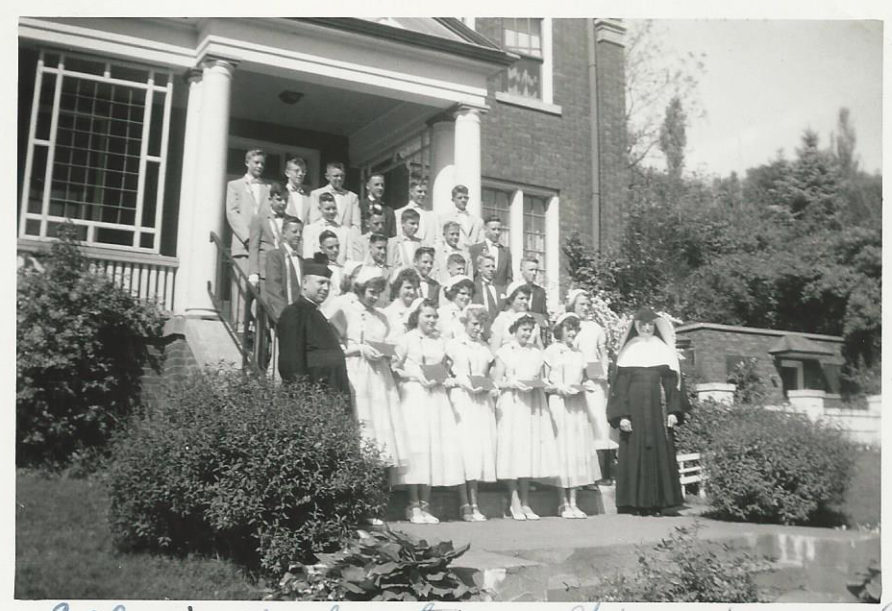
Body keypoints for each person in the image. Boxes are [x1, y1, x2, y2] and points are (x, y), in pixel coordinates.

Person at [607, 307, 690, 516]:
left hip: (657, 410)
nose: (646, 328)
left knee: (659, 452)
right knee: (634, 450)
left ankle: (659, 503)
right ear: (636, 326)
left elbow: (673, 384)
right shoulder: (628, 351)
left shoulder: (663, 350)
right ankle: (634, 503)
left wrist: (673, 411)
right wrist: (622, 415)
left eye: (650, 324)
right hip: (633, 411)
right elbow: (620, 388)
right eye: (642, 325)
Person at [392, 299, 465, 524]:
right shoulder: (406, 339)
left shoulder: (440, 341)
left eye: (434, 316)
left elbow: (444, 368)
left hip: (436, 397)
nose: (432, 320)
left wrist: (442, 378)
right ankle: (413, 504)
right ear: (417, 316)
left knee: (433, 448)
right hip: (414, 396)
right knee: (418, 447)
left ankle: (425, 504)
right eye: (427, 316)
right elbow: (394, 368)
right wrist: (415, 375)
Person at [340, 267, 408, 470]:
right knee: (363, 416)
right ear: (360, 289)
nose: (375, 297)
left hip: (379, 374)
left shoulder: (382, 317)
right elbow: (335, 345)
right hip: (357, 370)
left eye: (378, 293)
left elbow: (392, 343)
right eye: (371, 292)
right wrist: (359, 349)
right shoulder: (346, 309)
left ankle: (378, 469)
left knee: (381, 420)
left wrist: (387, 352)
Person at [493, 311, 558, 520]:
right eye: (524, 330)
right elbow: (497, 381)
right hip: (512, 404)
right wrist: (512, 383)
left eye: (530, 330)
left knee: (528, 450)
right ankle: (514, 500)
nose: (527, 334)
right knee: (513, 450)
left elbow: (543, 378)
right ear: (515, 330)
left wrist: (541, 384)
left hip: (531, 405)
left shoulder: (537, 353)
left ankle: (526, 501)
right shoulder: (504, 352)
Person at [544, 313, 600, 518]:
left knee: (576, 451)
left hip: (577, 405)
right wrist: (559, 388)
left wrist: (587, 385)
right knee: (562, 450)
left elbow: (587, 377)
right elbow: (544, 382)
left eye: (575, 329)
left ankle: (574, 502)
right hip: (559, 403)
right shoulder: (550, 351)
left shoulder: (580, 354)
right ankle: (562, 503)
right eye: (569, 329)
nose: (572, 333)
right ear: (560, 330)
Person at [446, 304, 497, 521]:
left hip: (480, 402)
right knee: (463, 449)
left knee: (476, 451)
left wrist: (490, 386)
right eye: (475, 323)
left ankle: (475, 503)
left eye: (482, 324)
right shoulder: (453, 345)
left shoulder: (485, 348)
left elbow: (489, 375)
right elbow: (447, 372)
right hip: (462, 399)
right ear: (465, 323)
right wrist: (462, 382)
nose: (478, 328)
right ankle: (464, 503)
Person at [277, 253, 350, 397]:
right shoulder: (295, 313)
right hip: (313, 398)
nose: (326, 288)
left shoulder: (317, 313)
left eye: (328, 284)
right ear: (304, 283)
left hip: (330, 395)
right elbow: (291, 362)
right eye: (321, 282)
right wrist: (301, 397)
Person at [566, 288, 616, 483]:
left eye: (588, 305)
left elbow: (602, 353)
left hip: (595, 381)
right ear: (573, 305)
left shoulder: (595, 328)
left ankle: (602, 473)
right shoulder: (567, 325)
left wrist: (602, 371)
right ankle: (580, 475)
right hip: (575, 379)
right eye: (582, 304)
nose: (586, 308)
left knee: (599, 422)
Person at [226, 148, 268, 329]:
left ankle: (258, 328)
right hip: (244, 245)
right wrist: (247, 237)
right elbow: (232, 213)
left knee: (261, 287)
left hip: (262, 246)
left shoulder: (267, 188)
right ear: (247, 163)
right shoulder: (235, 185)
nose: (259, 166)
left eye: (262, 163)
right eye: (256, 162)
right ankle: (240, 326)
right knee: (242, 286)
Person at [247, 181, 288, 296]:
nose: (283, 203)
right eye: (279, 199)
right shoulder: (259, 218)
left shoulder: (290, 220)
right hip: (265, 270)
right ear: (270, 200)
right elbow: (253, 246)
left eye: (286, 200)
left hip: (283, 270)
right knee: (265, 302)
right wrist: (253, 272)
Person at [263, 216, 304, 321]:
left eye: (300, 232)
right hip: (285, 316)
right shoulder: (275, 256)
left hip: (300, 315)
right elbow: (274, 287)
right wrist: (284, 315)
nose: (298, 235)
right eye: (294, 231)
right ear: (284, 233)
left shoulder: (300, 260)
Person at [489, 280, 543, 351]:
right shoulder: (502, 319)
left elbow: (540, 347)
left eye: (527, 299)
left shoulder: (532, 319)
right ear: (511, 299)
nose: (525, 302)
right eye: (521, 298)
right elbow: (494, 350)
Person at [309, 161, 361, 231]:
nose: (339, 179)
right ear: (327, 176)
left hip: (346, 236)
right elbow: (314, 221)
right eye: (336, 176)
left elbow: (356, 225)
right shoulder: (316, 194)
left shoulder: (352, 197)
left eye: (342, 176)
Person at [469, 215, 512, 292]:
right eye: (493, 229)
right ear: (485, 229)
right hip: (480, 292)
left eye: (499, 229)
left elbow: (509, 277)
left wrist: (505, 292)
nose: (497, 232)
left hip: (500, 293)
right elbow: (472, 274)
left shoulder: (506, 251)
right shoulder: (475, 249)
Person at [303, 192, 349, 264]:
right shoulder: (310, 229)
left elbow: (349, 257)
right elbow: (308, 256)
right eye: (327, 209)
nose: (331, 212)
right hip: (319, 269)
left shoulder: (345, 231)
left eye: (334, 208)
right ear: (320, 209)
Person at [439, 184, 484, 250]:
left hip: (472, 254)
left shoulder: (478, 221)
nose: (463, 200)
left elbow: (481, 243)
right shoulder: (444, 218)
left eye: (465, 198)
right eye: (460, 198)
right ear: (453, 200)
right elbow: (441, 240)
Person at [393, 177, 437, 245]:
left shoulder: (432, 216)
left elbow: (437, 239)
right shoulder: (398, 213)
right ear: (411, 192)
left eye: (425, 192)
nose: (423, 194)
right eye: (419, 191)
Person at [382, 267, 421, 340]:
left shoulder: (419, 310)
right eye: (408, 288)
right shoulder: (388, 313)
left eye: (415, 288)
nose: (412, 292)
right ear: (398, 288)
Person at [438, 274, 474, 340]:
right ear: (453, 293)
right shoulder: (442, 313)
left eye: (469, 294)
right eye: (463, 293)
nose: (467, 297)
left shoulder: (469, 314)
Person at [360, 172, 397, 237]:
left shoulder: (389, 211)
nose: (380, 188)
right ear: (367, 186)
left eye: (382, 185)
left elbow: (392, 235)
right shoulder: (359, 206)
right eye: (376, 185)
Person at [471, 253, 501, 325]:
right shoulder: (474, 288)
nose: (491, 269)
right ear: (479, 269)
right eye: (487, 266)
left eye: (493, 266)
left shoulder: (500, 289)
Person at [283, 155, 311, 222]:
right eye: (296, 171)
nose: (300, 174)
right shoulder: (281, 193)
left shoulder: (308, 197)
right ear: (287, 173)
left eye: (303, 171)